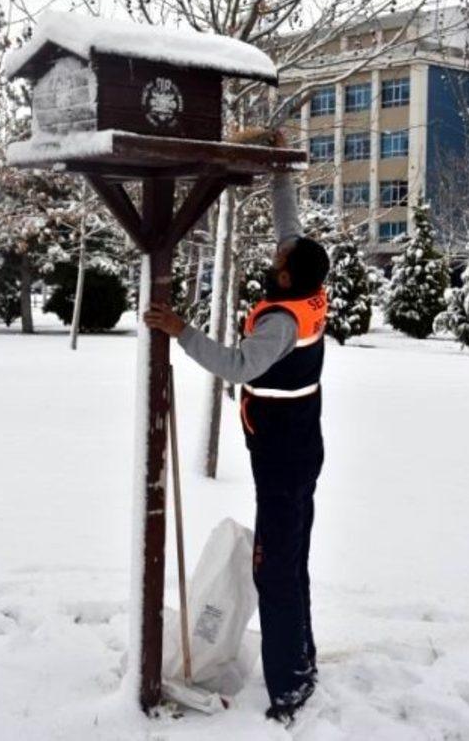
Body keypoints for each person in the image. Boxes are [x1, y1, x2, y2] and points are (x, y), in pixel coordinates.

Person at [143, 133, 329, 724]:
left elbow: (237, 365)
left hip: (283, 453)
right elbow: (289, 228)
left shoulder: (277, 322)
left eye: (277, 265)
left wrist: (180, 331)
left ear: (289, 280)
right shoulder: (308, 291)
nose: (272, 261)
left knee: (273, 566)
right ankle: (303, 660)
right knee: (291, 556)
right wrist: (279, 171)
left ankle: (290, 686)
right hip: (300, 443)